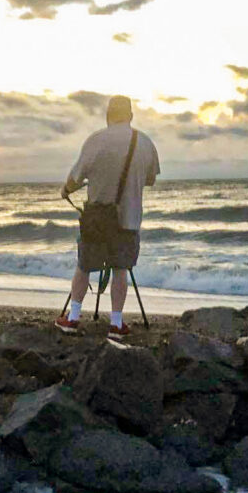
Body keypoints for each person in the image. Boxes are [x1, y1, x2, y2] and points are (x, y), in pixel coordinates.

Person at [56, 95, 159, 339]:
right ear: (131, 116)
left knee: (84, 266)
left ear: (107, 115)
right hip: (128, 219)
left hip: (97, 219)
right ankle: (116, 324)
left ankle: (72, 319)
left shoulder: (96, 140)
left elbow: (75, 177)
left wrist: (66, 190)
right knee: (120, 269)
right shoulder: (144, 143)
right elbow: (151, 179)